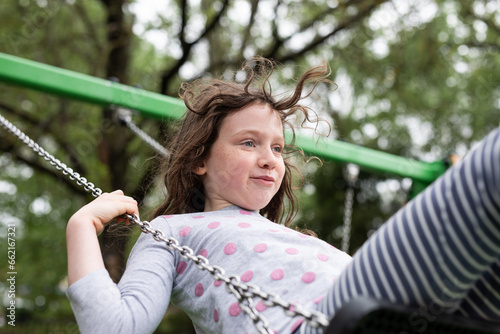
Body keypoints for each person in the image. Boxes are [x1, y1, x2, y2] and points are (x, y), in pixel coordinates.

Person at [66, 57, 500, 334]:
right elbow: (114, 328)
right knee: (490, 168)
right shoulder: (171, 232)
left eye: (276, 147)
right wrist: (82, 225)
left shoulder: (287, 237)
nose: (271, 158)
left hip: (413, 313)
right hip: (337, 319)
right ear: (200, 159)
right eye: (249, 143)